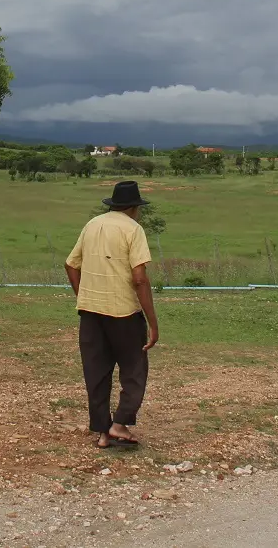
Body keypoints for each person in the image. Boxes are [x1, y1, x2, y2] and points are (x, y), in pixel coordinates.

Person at [65, 180, 160, 449]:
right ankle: (119, 424)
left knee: (96, 373)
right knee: (134, 369)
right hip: (123, 313)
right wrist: (152, 323)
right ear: (134, 208)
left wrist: (83, 295)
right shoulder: (133, 229)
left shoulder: (92, 224)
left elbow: (71, 265)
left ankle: (103, 433)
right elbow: (139, 278)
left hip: (91, 312)